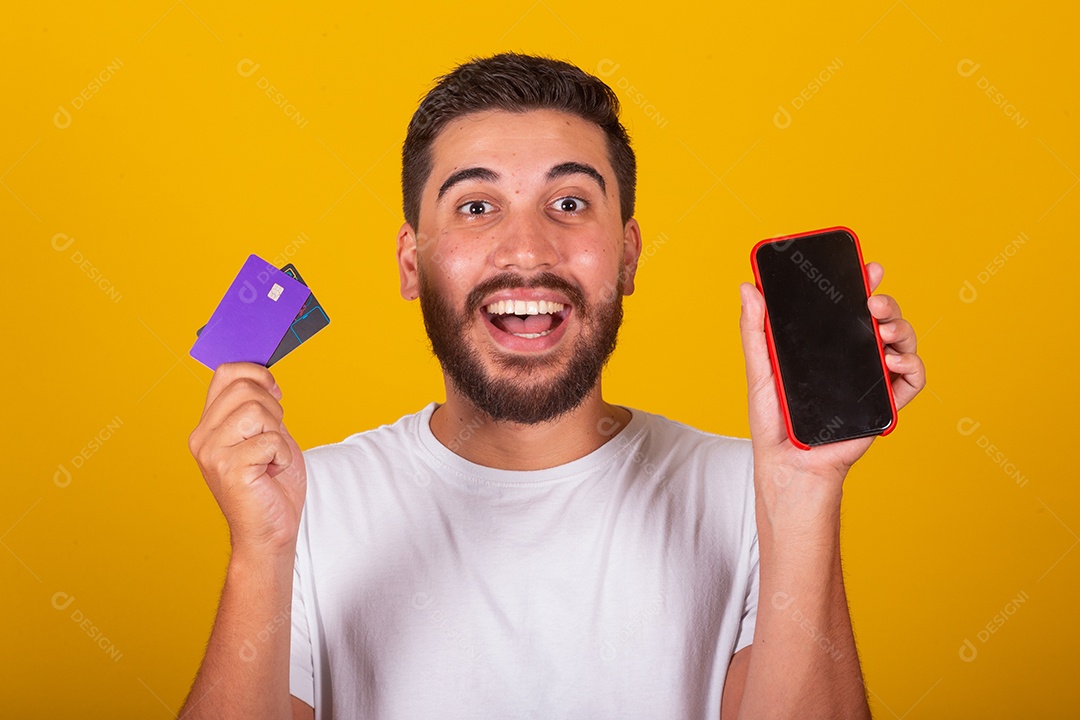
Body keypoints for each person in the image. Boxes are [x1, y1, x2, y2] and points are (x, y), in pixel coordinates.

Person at [182, 53, 925, 719]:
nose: (527, 250)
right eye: (476, 207)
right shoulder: (304, 505)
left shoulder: (749, 493)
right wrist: (261, 548)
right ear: (412, 262)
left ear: (628, 255)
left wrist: (802, 488)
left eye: (569, 203)